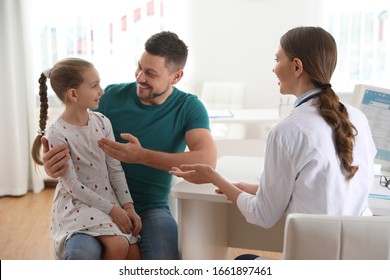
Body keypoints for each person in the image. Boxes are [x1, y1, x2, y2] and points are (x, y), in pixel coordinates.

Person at [170, 26, 377, 259]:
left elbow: (263, 215)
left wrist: (214, 176)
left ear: (297, 66)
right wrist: (262, 190)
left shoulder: (287, 131)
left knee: (241, 262)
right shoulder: (357, 118)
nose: (273, 68)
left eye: (278, 59)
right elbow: (326, 189)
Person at [41, 32, 217, 260]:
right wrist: (52, 165)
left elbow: (206, 160)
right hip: (96, 205)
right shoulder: (109, 97)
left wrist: (141, 156)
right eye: (139, 67)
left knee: (164, 262)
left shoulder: (189, 107)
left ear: (176, 76)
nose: (140, 77)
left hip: (151, 207)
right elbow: (71, 135)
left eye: (151, 73)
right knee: (80, 254)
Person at [31, 58, 142, 260]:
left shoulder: (102, 122)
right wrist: (113, 210)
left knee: (134, 254)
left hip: (108, 199)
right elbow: (72, 185)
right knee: (118, 245)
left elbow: (115, 169)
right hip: (77, 203)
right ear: (73, 94)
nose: (102, 91)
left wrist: (128, 207)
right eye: (94, 86)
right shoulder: (57, 133)